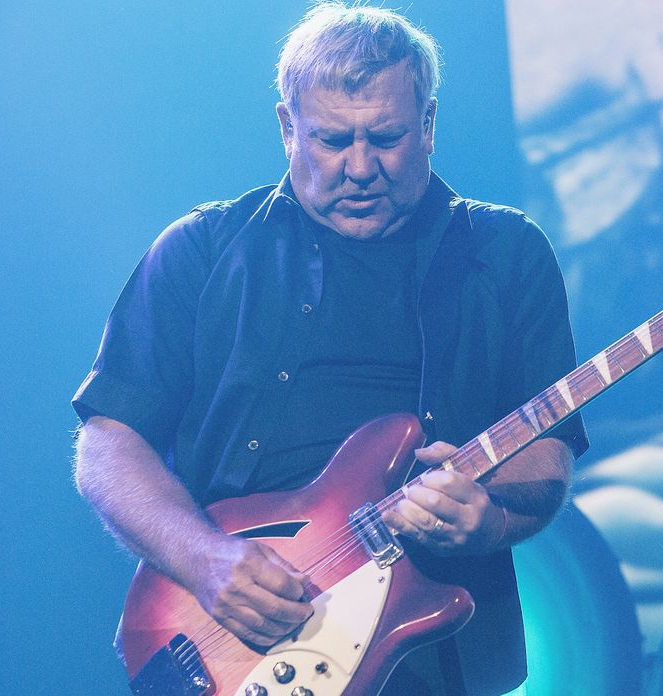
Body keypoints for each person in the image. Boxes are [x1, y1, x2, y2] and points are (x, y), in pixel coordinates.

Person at [71, 3, 586, 695]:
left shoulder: (507, 253)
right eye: (332, 140)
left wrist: (489, 521)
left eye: (387, 136)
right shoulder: (201, 250)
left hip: (429, 656)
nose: (361, 166)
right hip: (232, 647)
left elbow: (545, 450)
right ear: (288, 128)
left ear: (429, 125)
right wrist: (206, 562)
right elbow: (110, 445)